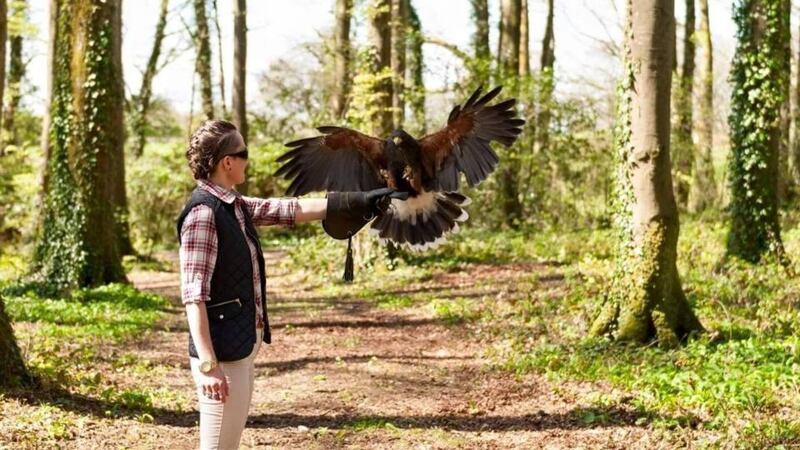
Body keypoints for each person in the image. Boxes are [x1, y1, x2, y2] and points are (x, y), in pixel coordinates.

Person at [177, 120, 401, 449]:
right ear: (227, 162)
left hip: (237, 347)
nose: (247, 160)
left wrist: (360, 200)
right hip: (221, 355)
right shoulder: (203, 215)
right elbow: (193, 297)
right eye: (244, 153)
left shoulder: (233, 205)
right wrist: (209, 365)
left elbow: (287, 209)